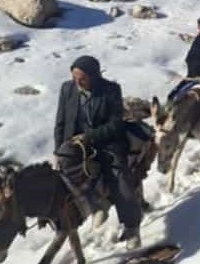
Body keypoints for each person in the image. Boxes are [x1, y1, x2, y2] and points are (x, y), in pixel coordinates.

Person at [53, 55, 141, 249]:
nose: (78, 81)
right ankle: (94, 206)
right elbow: (60, 121)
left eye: (82, 78)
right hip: (75, 143)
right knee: (65, 176)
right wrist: (58, 150)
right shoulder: (67, 89)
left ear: (94, 76)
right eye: (75, 77)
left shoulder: (110, 90)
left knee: (119, 178)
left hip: (106, 142)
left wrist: (90, 136)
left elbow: (116, 124)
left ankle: (132, 228)